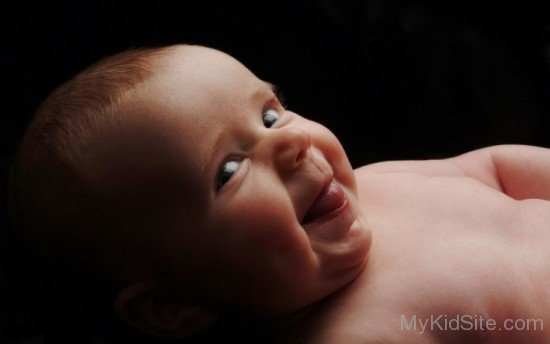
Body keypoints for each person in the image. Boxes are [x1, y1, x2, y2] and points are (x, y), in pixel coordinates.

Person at [6, 44, 550, 343]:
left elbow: (495, 170)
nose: (289, 143)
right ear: (173, 305)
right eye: (229, 170)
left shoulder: (380, 182)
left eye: (270, 114)